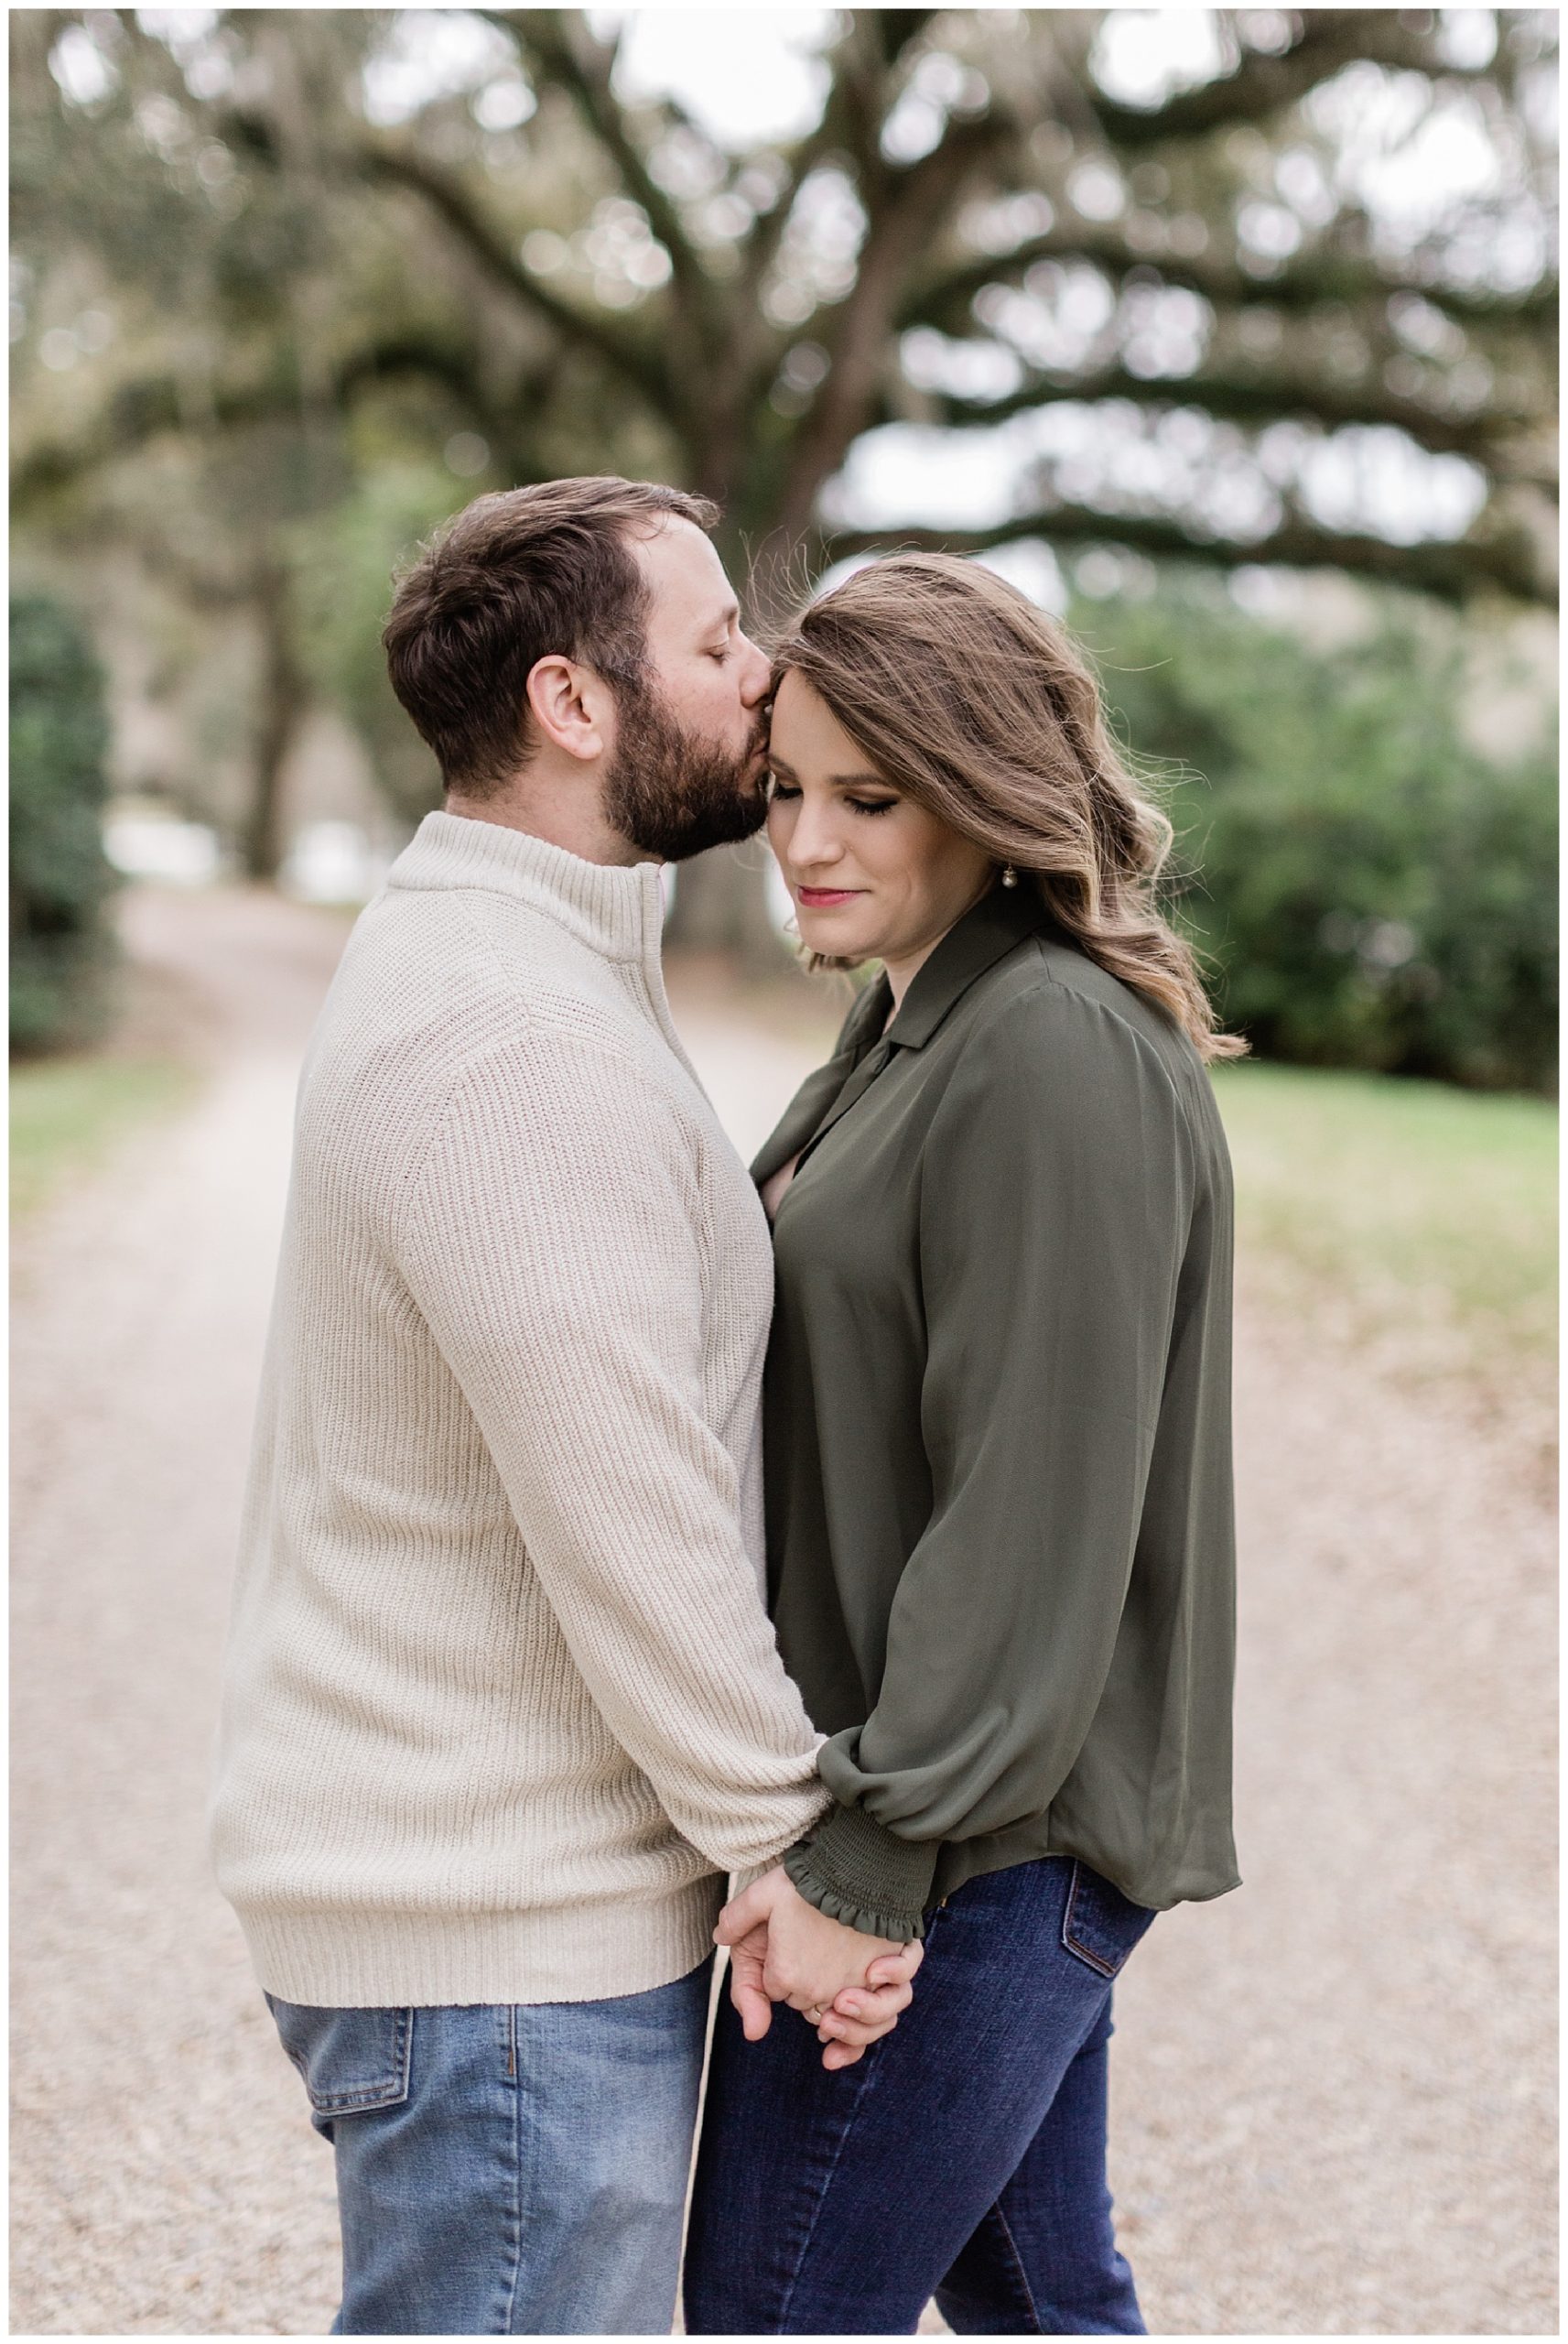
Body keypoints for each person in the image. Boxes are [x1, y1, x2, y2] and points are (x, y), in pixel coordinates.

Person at [207, 478, 919, 2339]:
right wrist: (789, 1843)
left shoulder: (525, 962)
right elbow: (626, 1507)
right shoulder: (508, 1033)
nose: (760, 673)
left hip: (499, 1933)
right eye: (709, 644)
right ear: (571, 702)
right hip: (495, 1945)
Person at [683, 553, 1243, 2337]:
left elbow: (1028, 1511)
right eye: (785, 791)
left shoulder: (1048, 1046)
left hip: (986, 1834)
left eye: (868, 793)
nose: (802, 838)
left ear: (986, 781)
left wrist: (864, 1856)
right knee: (1040, 2297)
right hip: (950, 1808)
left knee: (766, 2304)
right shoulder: (914, 1013)